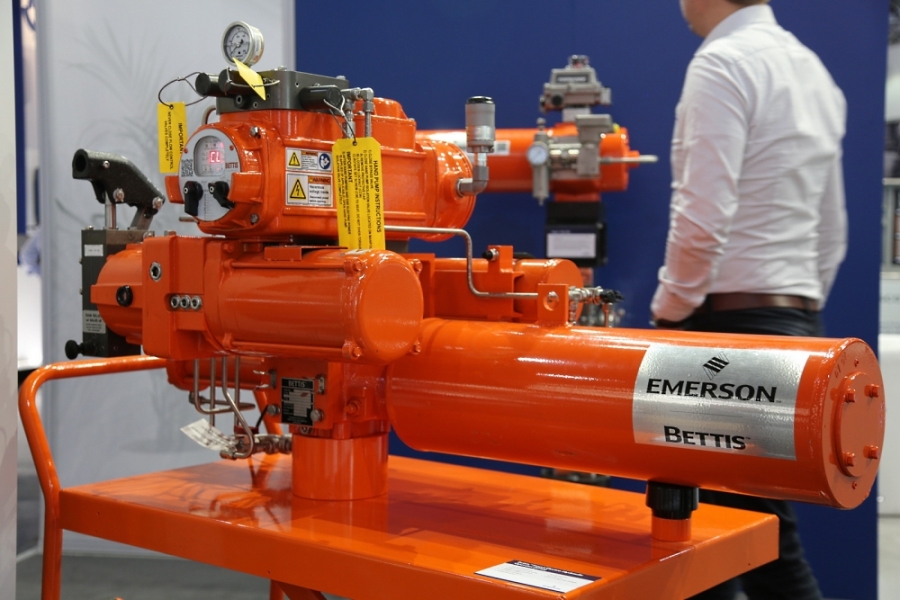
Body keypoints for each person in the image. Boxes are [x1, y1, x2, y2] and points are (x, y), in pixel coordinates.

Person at [651, 0, 847, 598]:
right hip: (790, 318)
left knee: (749, 545)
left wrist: (668, 316)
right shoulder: (811, 69)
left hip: (725, 327)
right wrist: (793, 313)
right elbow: (831, 229)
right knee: (730, 539)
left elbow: (702, 217)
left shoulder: (722, 63)